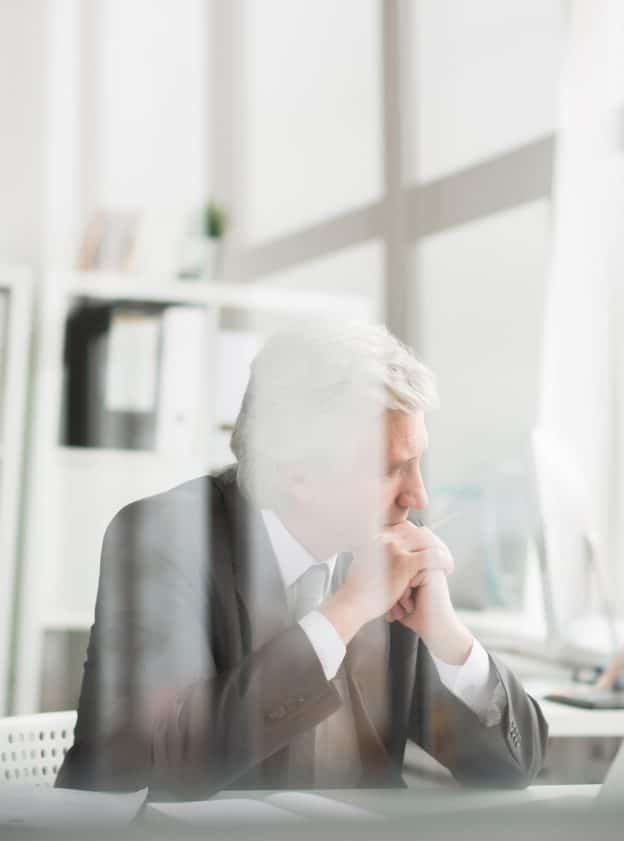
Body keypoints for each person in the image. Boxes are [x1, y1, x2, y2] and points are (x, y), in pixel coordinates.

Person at [58, 321, 547, 796]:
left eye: (417, 462)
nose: (416, 495)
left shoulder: (384, 552)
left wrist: (447, 637)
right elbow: (168, 758)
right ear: (298, 475)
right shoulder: (164, 537)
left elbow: (509, 769)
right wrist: (345, 613)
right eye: (391, 469)